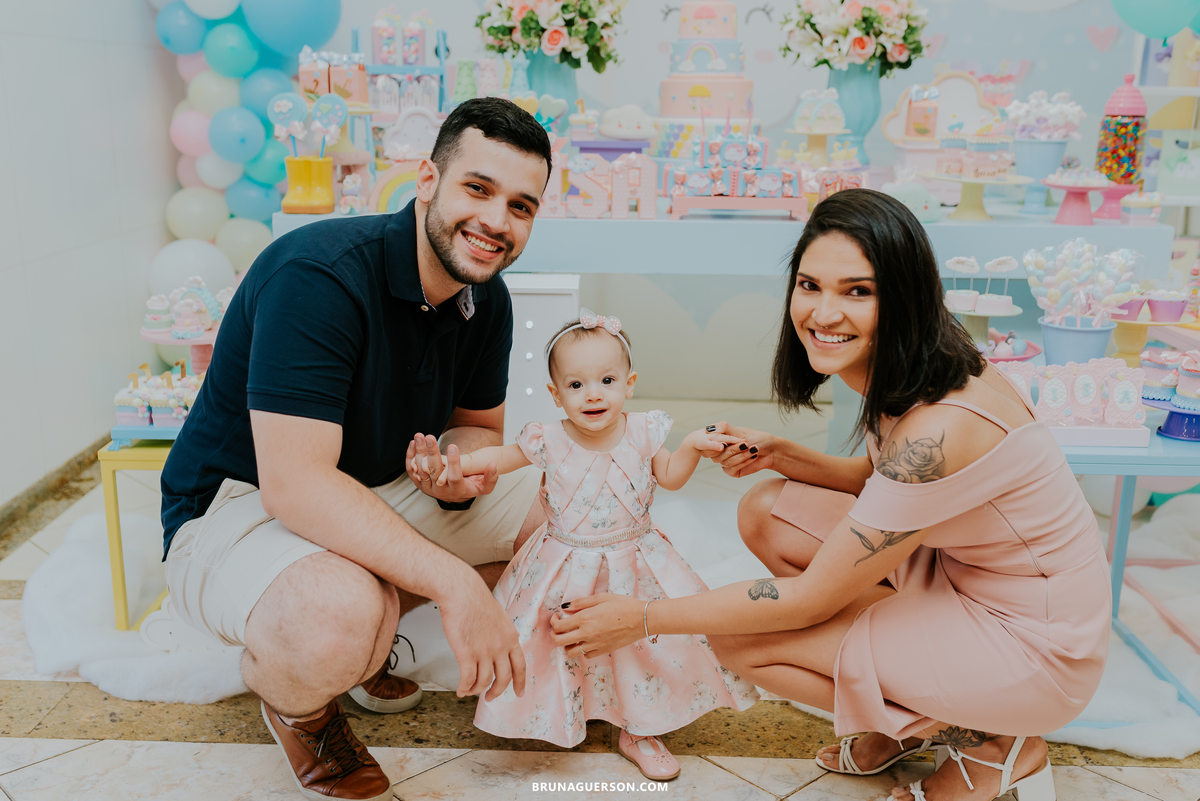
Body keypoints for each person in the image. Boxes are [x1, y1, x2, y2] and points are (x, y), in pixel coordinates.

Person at [549, 189, 1111, 801]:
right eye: (810, 285)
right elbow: (889, 489)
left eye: (858, 291)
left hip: (1033, 650)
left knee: (738, 641)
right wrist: (784, 456)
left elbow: (809, 600)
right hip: (962, 580)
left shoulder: (941, 428)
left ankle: (997, 741)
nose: (823, 312)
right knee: (767, 510)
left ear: (903, 296)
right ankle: (905, 723)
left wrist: (645, 618)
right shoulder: (920, 363)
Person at [159, 97, 553, 801]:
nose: (497, 221)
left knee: (575, 502)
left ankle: (377, 617)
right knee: (336, 622)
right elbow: (297, 486)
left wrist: (455, 470)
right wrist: (454, 581)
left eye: (521, 206)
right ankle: (301, 702)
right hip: (239, 505)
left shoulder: (484, 295)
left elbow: (476, 429)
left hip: (377, 487)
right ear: (426, 179)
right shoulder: (319, 276)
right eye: (479, 189)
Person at [412, 310, 760, 780]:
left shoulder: (642, 432)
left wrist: (694, 445)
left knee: (637, 646)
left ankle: (639, 727)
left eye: (607, 380)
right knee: (553, 641)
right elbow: (501, 456)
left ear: (629, 384)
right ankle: (563, 710)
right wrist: (457, 462)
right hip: (563, 559)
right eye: (575, 385)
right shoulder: (547, 439)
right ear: (556, 395)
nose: (593, 393)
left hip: (633, 559)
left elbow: (672, 477)